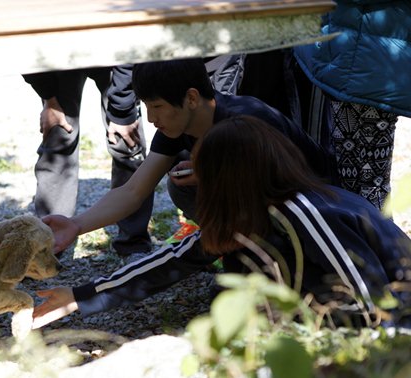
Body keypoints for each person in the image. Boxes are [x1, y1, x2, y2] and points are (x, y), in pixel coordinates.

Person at [32, 57, 339, 328]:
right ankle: (243, 260)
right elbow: (134, 190)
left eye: (157, 107)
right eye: (146, 107)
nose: (150, 118)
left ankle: (267, 269)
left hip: (311, 220)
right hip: (254, 210)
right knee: (180, 187)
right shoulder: (179, 126)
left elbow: (289, 189)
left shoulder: (243, 124)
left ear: (191, 98)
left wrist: (86, 295)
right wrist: (77, 225)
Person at [35, 116, 411, 328]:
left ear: (229, 181)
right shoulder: (254, 212)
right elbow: (175, 259)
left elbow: (373, 298)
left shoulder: (308, 213)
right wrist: (80, 297)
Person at [22, 66, 154, 257]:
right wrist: (49, 99)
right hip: (58, 59)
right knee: (58, 136)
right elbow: (29, 58)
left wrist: (123, 112)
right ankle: (50, 244)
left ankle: (134, 245)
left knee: (126, 141)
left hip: (116, 60)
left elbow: (128, 61)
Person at [293, 0, 411, 210]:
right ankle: (360, 228)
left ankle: (371, 231)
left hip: (365, 67)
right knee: (352, 181)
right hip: (355, 62)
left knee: (367, 186)